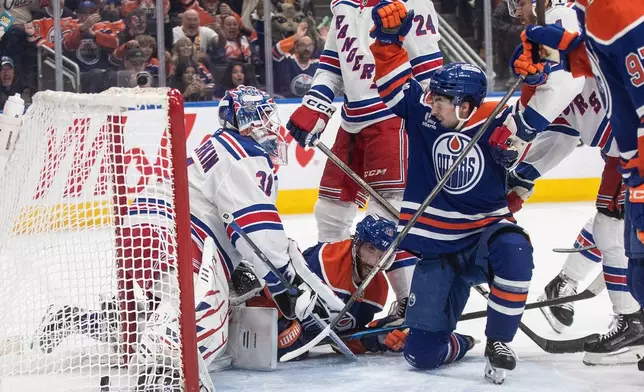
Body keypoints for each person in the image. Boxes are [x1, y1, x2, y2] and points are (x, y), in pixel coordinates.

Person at [31, 86, 334, 390]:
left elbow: (249, 231)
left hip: (147, 229)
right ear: (247, 120)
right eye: (266, 116)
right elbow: (256, 230)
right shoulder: (242, 152)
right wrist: (286, 286)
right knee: (206, 321)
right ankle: (156, 375)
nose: (272, 124)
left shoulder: (225, 146)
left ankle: (80, 319)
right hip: (176, 233)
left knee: (163, 311)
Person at [367, 1, 539, 384]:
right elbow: (394, 82)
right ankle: (460, 340)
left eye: (441, 99)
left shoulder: (499, 122)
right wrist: (386, 39)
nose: (432, 103)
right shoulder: (424, 116)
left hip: (483, 238)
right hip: (437, 249)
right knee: (421, 355)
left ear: (465, 105)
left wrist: (535, 82)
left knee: (515, 248)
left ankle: (499, 340)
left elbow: (534, 122)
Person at [506, 0, 644, 366]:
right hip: (623, 145)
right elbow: (567, 127)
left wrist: (526, 123)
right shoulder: (555, 31)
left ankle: (632, 323)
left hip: (631, 143)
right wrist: (524, 175)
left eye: (518, 3)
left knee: (612, 228)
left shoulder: (560, 17)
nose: (516, 12)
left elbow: (568, 84)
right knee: (614, 222)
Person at [285, 0, 443, 311]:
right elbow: (331, 65)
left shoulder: (412, 3)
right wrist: (315, 106)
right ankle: (330, 293)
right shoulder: (343, 6)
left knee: (387, 222)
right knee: (329, 211)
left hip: (394, 119)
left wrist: (433, 126)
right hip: (352, 121)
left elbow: (429, 70)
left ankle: (412, 306)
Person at [246, 214, 408, 359]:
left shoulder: (378, 292)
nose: (376, 263)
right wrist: (276, 319)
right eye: (371, 250)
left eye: (384, 256)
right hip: (261, 319)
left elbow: (342, 340)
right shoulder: (325, 261)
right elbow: (277, 287)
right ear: (356, 244)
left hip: (305, 346)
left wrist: (377, 337)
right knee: (283, 340)